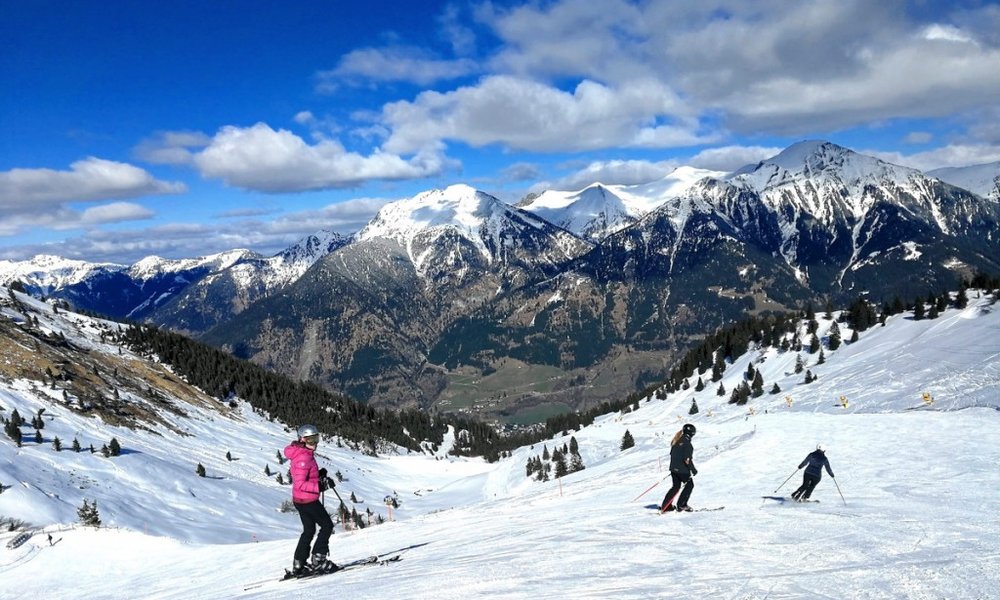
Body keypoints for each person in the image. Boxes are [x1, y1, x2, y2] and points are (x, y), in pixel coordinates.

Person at [284, 424, 338, 576]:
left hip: (300, 500)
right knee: (327, 525)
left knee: (309, 530)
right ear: (302, 439)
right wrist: (320, 485)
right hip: (307, 500)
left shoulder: (302, 452)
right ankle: (319, 560)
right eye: (310, 440)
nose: (314, 443)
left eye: (316, 439)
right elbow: (300, 483)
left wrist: (317, 475)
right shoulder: (303, 457)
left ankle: (299, 564)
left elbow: (304, 476)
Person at [659, 423, 698, 513]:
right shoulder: (687, 444)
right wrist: (693, 469)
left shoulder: (676, 441)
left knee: (676, 487)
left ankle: (666, 506)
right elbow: (687, 459)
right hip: (682, 470)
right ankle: (682, 505)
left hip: (673, 469)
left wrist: (675, 468)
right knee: (689, 485)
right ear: (692, 433)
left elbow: (673, 455)